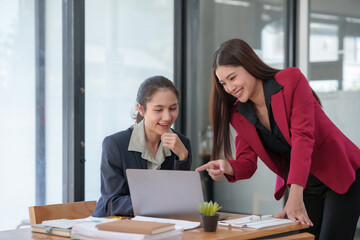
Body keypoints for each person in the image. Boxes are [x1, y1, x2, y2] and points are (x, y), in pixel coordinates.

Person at [195, 39, 360, 240]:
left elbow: (303, 137)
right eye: (223, 83)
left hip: (340, 173)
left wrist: (295, 196)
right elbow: (247, 163)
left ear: (249, 65)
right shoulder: (239, 113)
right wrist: (226, 166)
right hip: (303, 184)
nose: (229, 87)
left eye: (232, 78)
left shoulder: (290, 80)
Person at [93, 76, 192, 217]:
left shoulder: (182, 143)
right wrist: (156, 204)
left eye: (173, 108)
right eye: (158, 110)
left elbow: (181, 199)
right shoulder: (115, 144)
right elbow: (113, 203)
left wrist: (183, 158)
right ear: (141, 109)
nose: (167, 117)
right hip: (115, 226)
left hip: (161, 225)